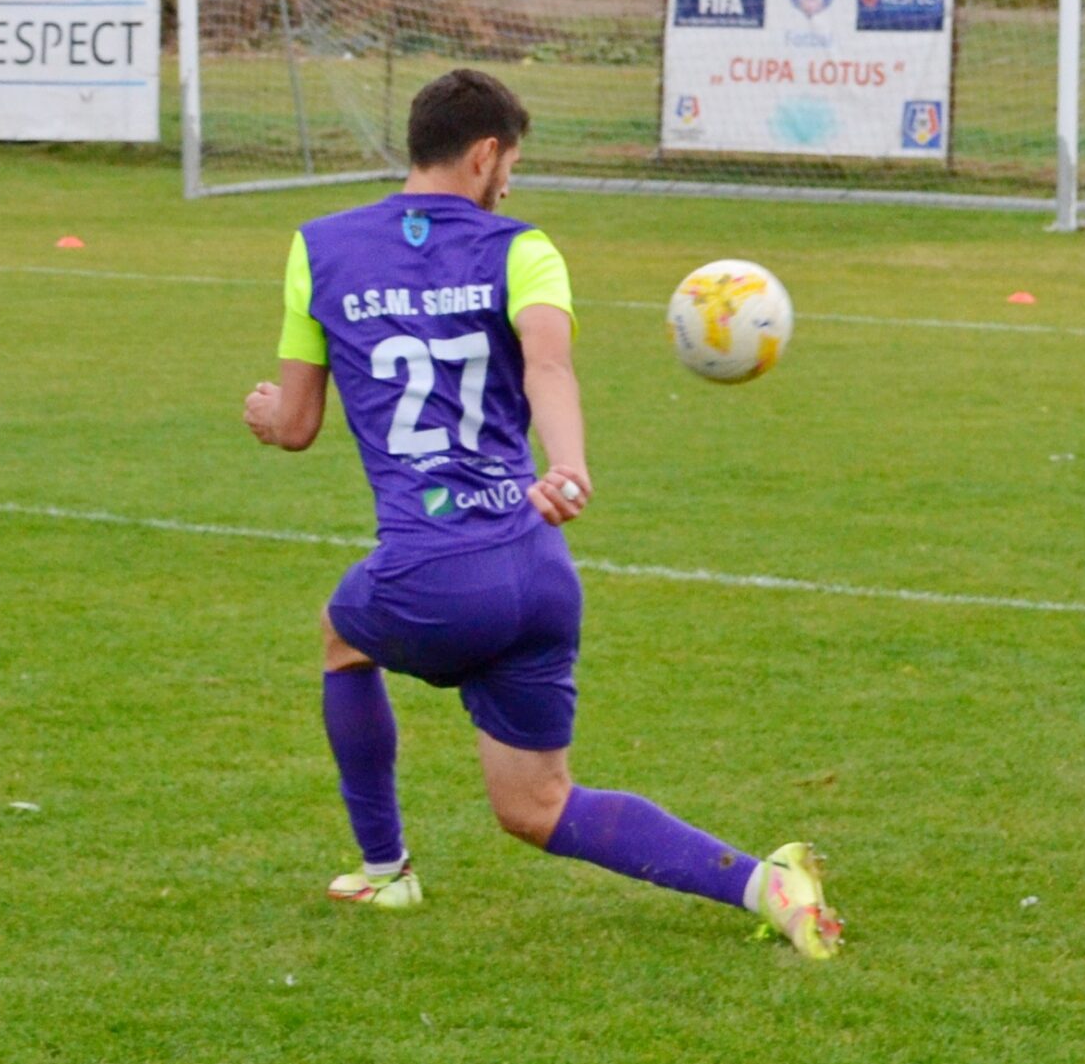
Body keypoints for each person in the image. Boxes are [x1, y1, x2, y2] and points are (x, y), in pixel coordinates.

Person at [242, 68, 842, 956]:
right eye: (511, 166)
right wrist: (567, 467)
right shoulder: (523, 250)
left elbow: (295, 427)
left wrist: (264, 412)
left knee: (343, 635)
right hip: (536, 563)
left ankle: (384, 870)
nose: (509, 186)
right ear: (485, 154)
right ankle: (766, 884)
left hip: (433, 571)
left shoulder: (319, 248)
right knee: (537, 805)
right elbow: (549, 368)